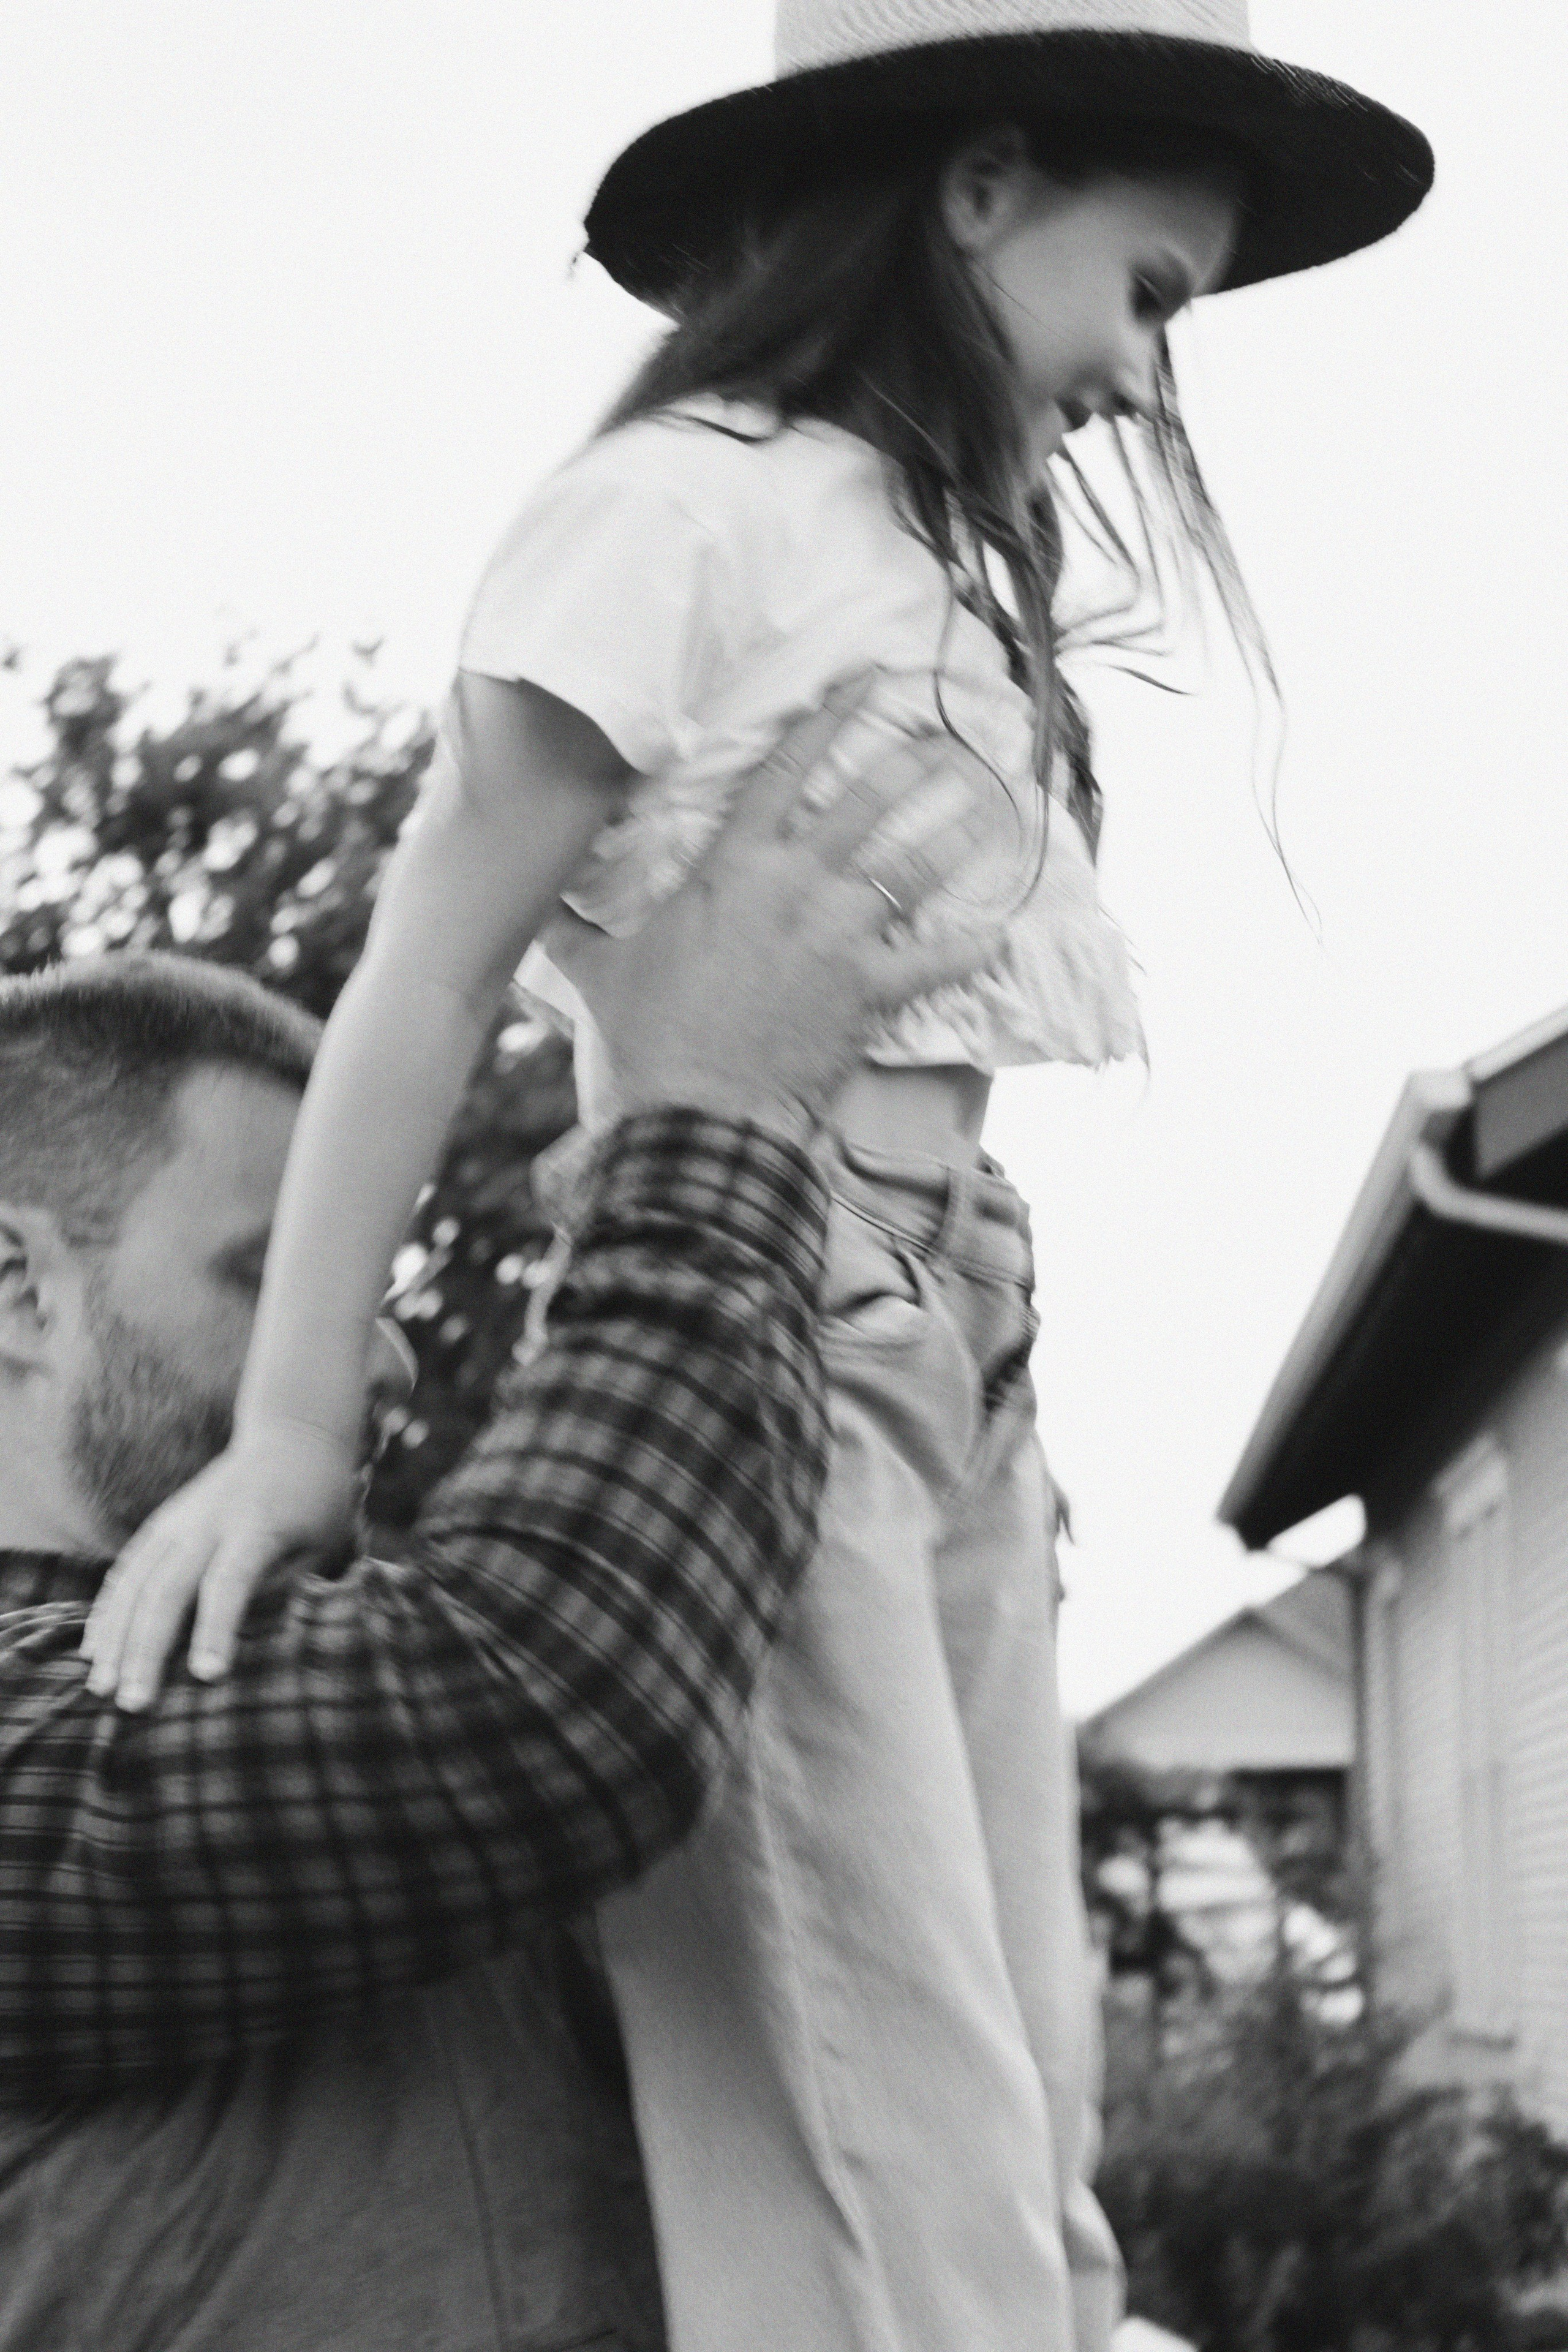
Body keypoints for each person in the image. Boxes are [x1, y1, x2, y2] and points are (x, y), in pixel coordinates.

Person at [85, 4, 1435, 2346]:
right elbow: (422, 970)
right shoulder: (678, 509)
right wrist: (296, 1437)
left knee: (1026, 2112)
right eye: (1155, 294)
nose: (1145, 381)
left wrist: (982, 1342)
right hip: (768, 1314)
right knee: (867, 2129)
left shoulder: (928, 546)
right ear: (981, 184)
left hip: (959, 1328)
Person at [0, 708, 992, 2350]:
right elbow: (540, 1697)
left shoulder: (332, 1672)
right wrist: (713, 1116)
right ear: (20, 1288)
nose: (367, 1354)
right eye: (270, 1278)